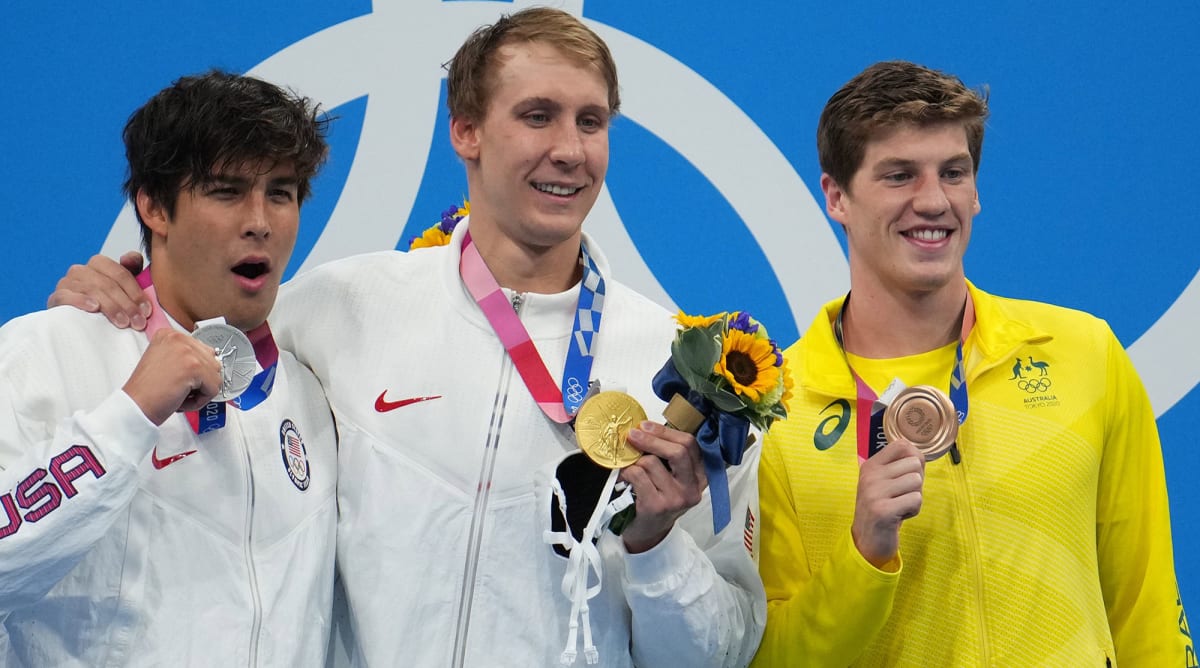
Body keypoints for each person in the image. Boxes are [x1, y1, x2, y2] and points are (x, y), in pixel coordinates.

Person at [48, 9, 766, 667]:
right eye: (537, 116)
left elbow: (722, 652)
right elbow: (191, 325)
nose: (570, 150)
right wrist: (114, 300)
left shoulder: (681, 372)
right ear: (466, 131)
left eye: (591, 121)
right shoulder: (335, 308)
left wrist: (656, 547)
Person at [751, 60, 1192, 666]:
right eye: (900, 175)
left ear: (976, 190)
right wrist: (864, 552)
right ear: (836, 197)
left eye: (953, 173)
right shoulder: (775, 415)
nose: (932, 201)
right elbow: (775, 656)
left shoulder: (1084, 353)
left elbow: (1146, 605)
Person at [0, 70, 336, 665]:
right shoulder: (44, 354)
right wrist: (126, 420)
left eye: (281, 192)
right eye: (227, 191)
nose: (259, 219)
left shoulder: (310, 392)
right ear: (153, 206)